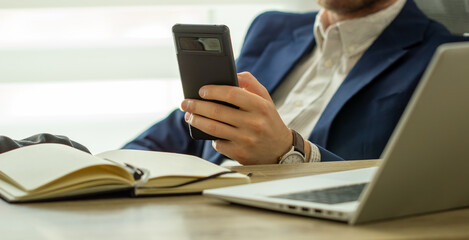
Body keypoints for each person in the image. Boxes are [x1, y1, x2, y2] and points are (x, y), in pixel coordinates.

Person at [122, 0, 467, 165]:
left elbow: (408, 191)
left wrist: (288, 153)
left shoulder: (446, 58)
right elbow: (182, 128)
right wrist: (102, 170)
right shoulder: (271, 28)